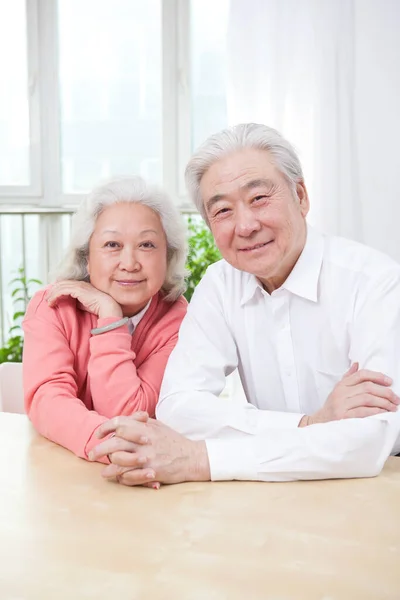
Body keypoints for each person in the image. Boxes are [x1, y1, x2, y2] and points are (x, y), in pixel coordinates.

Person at [90, 124, 400, 486]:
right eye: (222, 211)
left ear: (300, 196)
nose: (246, 225)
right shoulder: (220, 284)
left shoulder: (376, 282)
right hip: (263, 501)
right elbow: (179, 407)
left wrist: (202, 461)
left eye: (259, 199)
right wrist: (309, 425)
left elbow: (370, 441)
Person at [23, 176, 187, 462]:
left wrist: (110, 319)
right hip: (62, 468)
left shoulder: (178, 319)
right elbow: (48, 399)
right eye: (112, 244)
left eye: (147, 245)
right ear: (87, 257)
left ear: (168, 257)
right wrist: (109, 445)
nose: (129, 263)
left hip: (146, 475)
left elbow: (129, 412)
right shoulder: (52, 306)